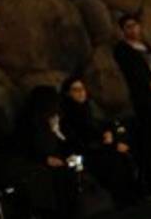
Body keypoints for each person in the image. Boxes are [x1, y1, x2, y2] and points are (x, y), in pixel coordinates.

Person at [112, 13, 151, 197]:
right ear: (123, 30)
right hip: (144, 100)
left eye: (135, 25)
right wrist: (148, 82)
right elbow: (133, 72)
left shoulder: (147, 47)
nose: (133, 29)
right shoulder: (123, 50)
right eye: (128, 27)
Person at [59, 76, 140, 208]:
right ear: (68, 93)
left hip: (103, 145)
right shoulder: (68, 116)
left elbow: (104, 123)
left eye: (82, 89)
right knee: (113, 160)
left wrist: (110, 134)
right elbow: (80, 139)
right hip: (88, 152)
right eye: (75, 90)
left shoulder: (90, 108)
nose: (81, 92)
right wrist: (109, 143)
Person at [14, 85, 82, 219]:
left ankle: (72, 215)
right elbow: (26, 148)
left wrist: (57, 132)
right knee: (56, 179)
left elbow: (67, 143)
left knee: (70, 172)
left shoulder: (56, 120)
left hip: (56, 160)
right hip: (37, 165)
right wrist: (45, 159)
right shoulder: (27, 123)